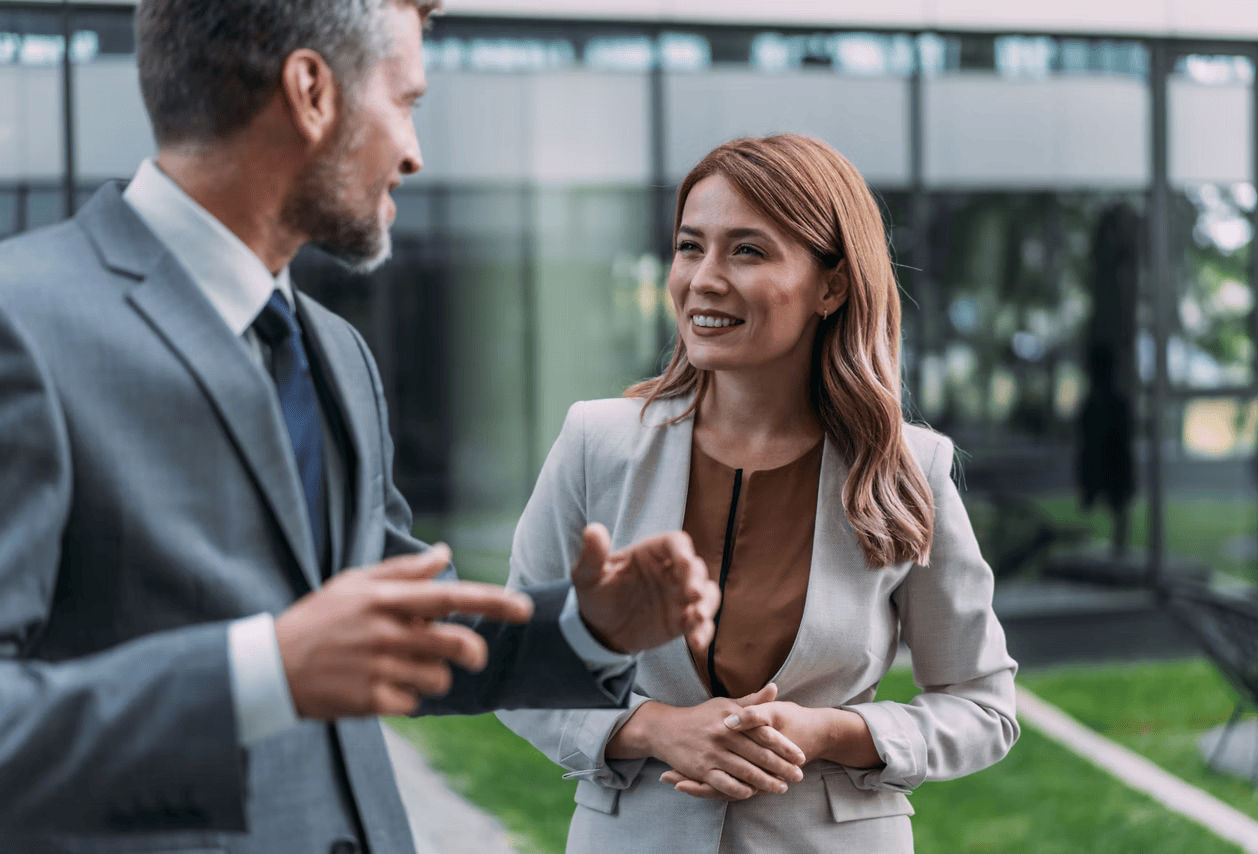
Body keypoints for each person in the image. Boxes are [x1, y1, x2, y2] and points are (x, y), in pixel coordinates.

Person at [0, 1, 720, 851]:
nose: (414, 152)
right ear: (311, 92)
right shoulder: (23, 323)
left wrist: (588, 628)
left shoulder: (336, 354)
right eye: (406, 102)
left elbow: (396, 622)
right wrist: (266, 672)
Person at [498, 134, 1019, 852]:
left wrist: (838, 732)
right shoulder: (598, 442)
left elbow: (984, 706)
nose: (704, 279)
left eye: (747, 251)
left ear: (831, 286)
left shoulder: (909, 466)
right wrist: (650, 728)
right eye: (690, 247)